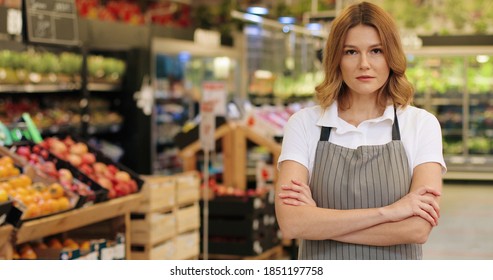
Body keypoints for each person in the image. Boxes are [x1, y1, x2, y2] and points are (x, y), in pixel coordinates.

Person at [275, 1, 446, 260]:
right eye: (351, 52)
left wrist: (319, 223)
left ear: (392, 56)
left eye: (376, 50)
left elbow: (417, 228)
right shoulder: (304, 124)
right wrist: (389, 212)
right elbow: (292, 224)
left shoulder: (421, 124)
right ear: (336, 58)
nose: (364, 64)